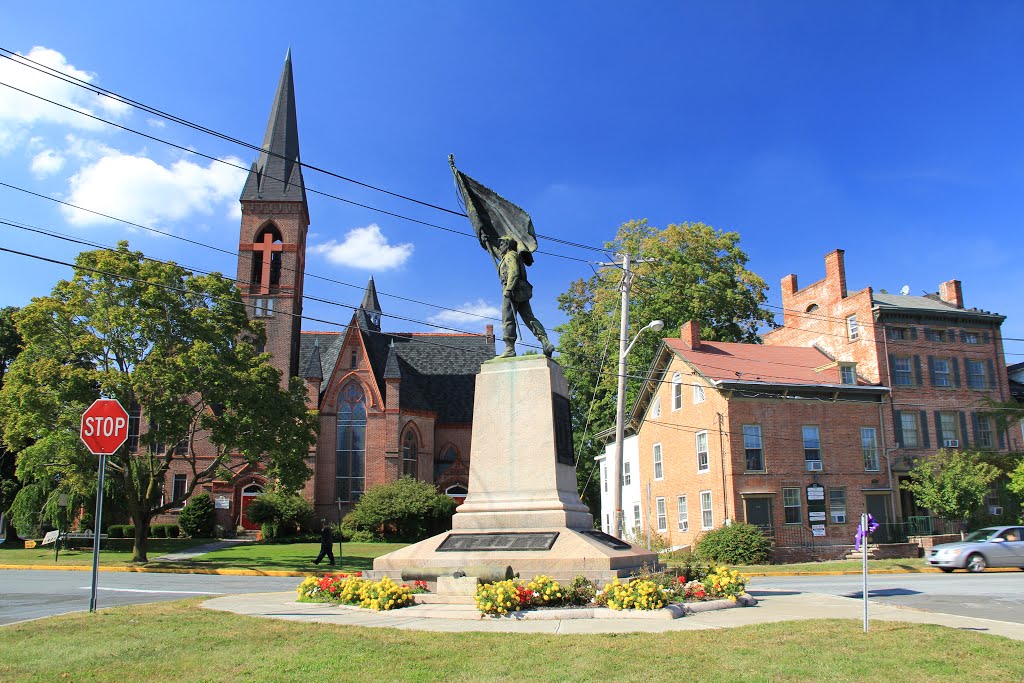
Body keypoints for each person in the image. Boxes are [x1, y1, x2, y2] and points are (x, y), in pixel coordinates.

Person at [496, 236, 554, 359]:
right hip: (521, 291)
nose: (499, 247)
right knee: (529, 318)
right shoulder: (512, 255)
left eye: (501, 244)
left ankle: (509, 348)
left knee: (508, 319)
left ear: (507, 244)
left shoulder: (510, 255)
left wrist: (509, 288)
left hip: (512, 290)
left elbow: (514, 272)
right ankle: (545, 341)